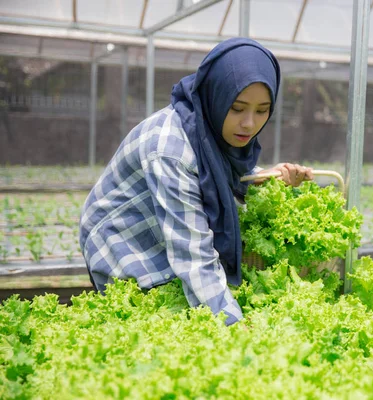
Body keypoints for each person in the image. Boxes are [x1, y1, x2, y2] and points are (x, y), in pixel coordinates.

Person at [79, 37, 313, 326]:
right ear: (216, 95)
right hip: (124, 242)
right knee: (170, 325)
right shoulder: (170, 150)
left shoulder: (210, 128)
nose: (249, 124)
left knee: (202, 306)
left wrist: (268, 176)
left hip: (161, 230)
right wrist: (237, 334)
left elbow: (215, 170)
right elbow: (193, 258)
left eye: (262, 110)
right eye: (237, 108)